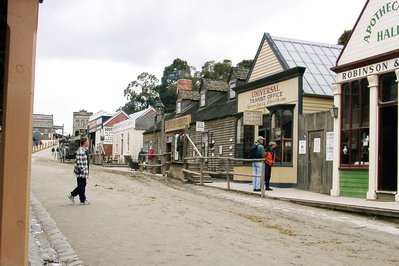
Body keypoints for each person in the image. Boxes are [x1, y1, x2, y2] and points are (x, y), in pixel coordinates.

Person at [68, 137, 90, 205]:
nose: (88, 142)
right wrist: (82, 170)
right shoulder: (81, 151)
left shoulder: (84, 150)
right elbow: (79, 162)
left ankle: (72, 195)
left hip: (83, 172)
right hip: (81, 172)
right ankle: (82, 200)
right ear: (85, 142)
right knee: (81, 186)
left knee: (82, 185)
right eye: (88, 141)